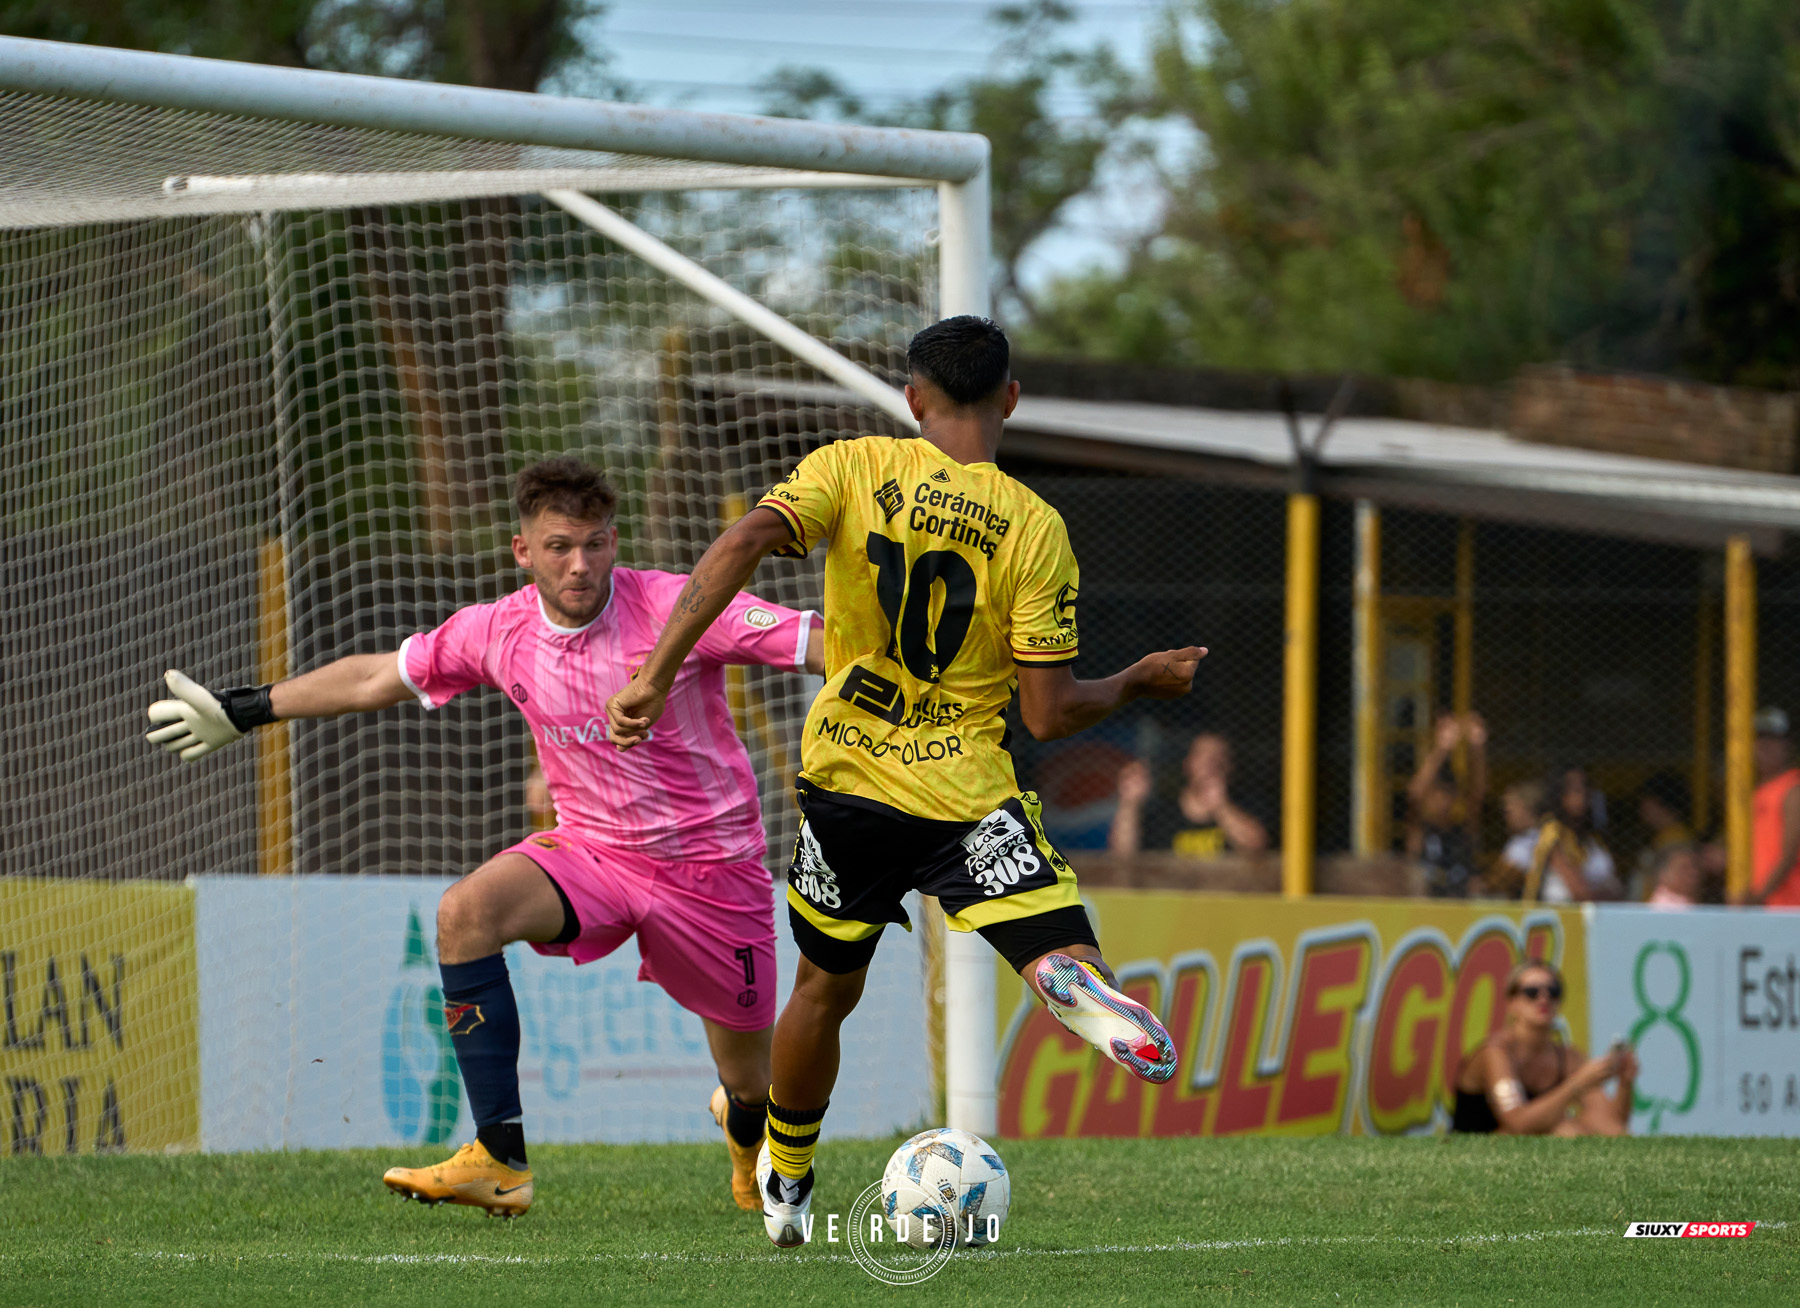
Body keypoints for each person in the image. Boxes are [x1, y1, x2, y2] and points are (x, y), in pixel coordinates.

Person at [604, 316, 1203, 1248]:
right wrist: (1137, 680)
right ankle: (1070, 980)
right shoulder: (1036, 528)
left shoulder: (851, 467)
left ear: (914, 398)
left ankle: (789, 1178)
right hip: (967, 796)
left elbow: (745, 541)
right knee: (1049, 936)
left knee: (821, 992)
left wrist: (652, 673)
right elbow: (1049, 716)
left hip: (847, 786)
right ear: (1011, 398)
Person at [144, 457, 825, 1217]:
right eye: (561, 546)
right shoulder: (498, 630)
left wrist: (924, 677)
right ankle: (500, 1157)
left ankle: (742, 1128)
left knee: (748, 1081)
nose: (581, 564)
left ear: (615, 542)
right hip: (591, 853)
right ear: (522, 551)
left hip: (711, 869)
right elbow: (377, 677)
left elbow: (809, 641)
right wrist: (249, 708)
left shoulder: (677, 605)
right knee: (464, 914)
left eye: (597, 544)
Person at [1451, 960, 1636, 1135]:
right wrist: (1576, 1085)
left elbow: (1612, 1127)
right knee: (1566, 1131)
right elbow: (1517, 1123)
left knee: (1582, 1125)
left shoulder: (1569, 1057)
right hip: (1476, 1152)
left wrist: (1625, 1084)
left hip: (1526, 1150)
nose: (1543, 998)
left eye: (1553, 991)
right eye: (1532, 992)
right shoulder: (1496, 1052)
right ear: (1511, 1003)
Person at [1108, 732, 1269, 859]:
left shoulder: (1245, 807)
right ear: (1187, 764)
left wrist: (1220, 807)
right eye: (1202, 755)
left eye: (1218, 756)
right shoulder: (1162, 815)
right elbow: (1122, 855)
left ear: (1229, 767)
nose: (1210, 763)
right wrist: (1129, 804)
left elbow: (1256, 846)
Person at [1404, 711, 1487, 898]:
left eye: (1448, 796)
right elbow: (1415, 793)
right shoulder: (1420, 829)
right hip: (1426, 902)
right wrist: (1441, 749)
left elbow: (1477, 793)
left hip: (1459, 900)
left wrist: (1477, 748)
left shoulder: (1463, 828)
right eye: (1437, 796)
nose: (1443, 803)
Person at [1520, 766, 1621, 902]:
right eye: (1575, 790)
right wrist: (1609, 894)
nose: (1583, 796)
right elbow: (1581, 894)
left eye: (1586, 789)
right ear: (1560, 796)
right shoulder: (1553, 833)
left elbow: (1618, 889)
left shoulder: (1593, 841)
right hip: (1562, 916)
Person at [1742, 706, 1800, 908]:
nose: (1764, 746)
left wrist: (1759, 897)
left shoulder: (1793, 789)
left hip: (1789, 904)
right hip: (1762, 903)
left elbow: (1790, 854)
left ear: (1787, 744)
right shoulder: (1755, 792)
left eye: (1773, 739)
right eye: (1759, 739)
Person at [1629, 772, 1694, 902]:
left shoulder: (1676, 839)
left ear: (1656, 803)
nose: (1641, 809)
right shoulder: (1664, 836)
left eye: (1644, 802)